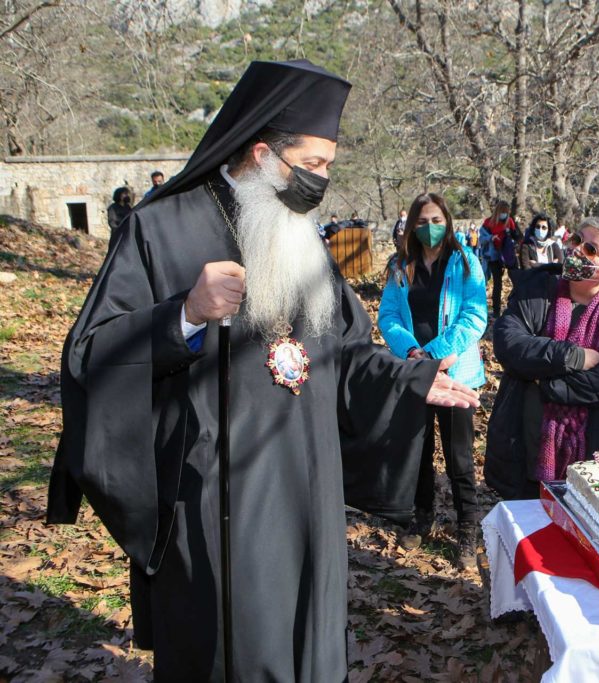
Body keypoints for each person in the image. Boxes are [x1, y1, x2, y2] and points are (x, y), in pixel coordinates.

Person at [45, 59, 479, 681]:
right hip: (218, 487)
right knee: (231, 642)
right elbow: (91, 354)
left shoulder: (303, 234)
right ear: (260, 152)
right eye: (315, 162)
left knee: (308, 636)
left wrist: (409, 379)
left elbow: (348, 347)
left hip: (307, 478)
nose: (322, 179)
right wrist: (185, 314)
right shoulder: (158, 227)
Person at [484, 216, 599, 499]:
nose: (576, 250)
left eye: (590, 250)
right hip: (524, 440)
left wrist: (544, 382)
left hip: (595, 446)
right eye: (576, 240)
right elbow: (508, 343)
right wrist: (572, 356)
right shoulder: (536, 289)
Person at [378, 192, 487, 568]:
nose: (430, 228)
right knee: (418, 450)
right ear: (412, 225)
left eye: (436, 220)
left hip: (456, 372)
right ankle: (422, 516)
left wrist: (439, 352)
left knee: (459, 458)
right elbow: (388, 315)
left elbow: (474, 315)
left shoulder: (465, 261)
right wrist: (413, 353)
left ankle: (467, 530)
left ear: (448, 222)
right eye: (422, 221)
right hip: (415, 372)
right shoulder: (400, 264)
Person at [481, 199, 519, 317]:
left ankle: (515, 306)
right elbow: (481, 238)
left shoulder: (510, 221)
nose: (504, 214)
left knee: (516, 281)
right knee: (497, 283)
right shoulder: (488, 222)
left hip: (508, 255)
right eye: (503, 211)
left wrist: (511, 236)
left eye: (506, 212)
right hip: (494, 256)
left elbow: (517, 236)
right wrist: (491, 238)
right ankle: (496, 311)